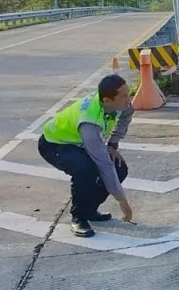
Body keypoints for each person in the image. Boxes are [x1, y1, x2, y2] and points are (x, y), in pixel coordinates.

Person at [38, 73, 135, 238]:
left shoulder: (121, 103)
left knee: (120, 169)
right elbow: (103, 164)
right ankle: (79, 217)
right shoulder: (89, 121)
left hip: (78, 143)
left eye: (129, 93)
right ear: (107, 100)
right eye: (124, 96)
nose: (129, 99)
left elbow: (126, 116)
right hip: (55, 144)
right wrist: (122, 201)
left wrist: (113, 145)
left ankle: (89, 210)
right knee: (85, 169)